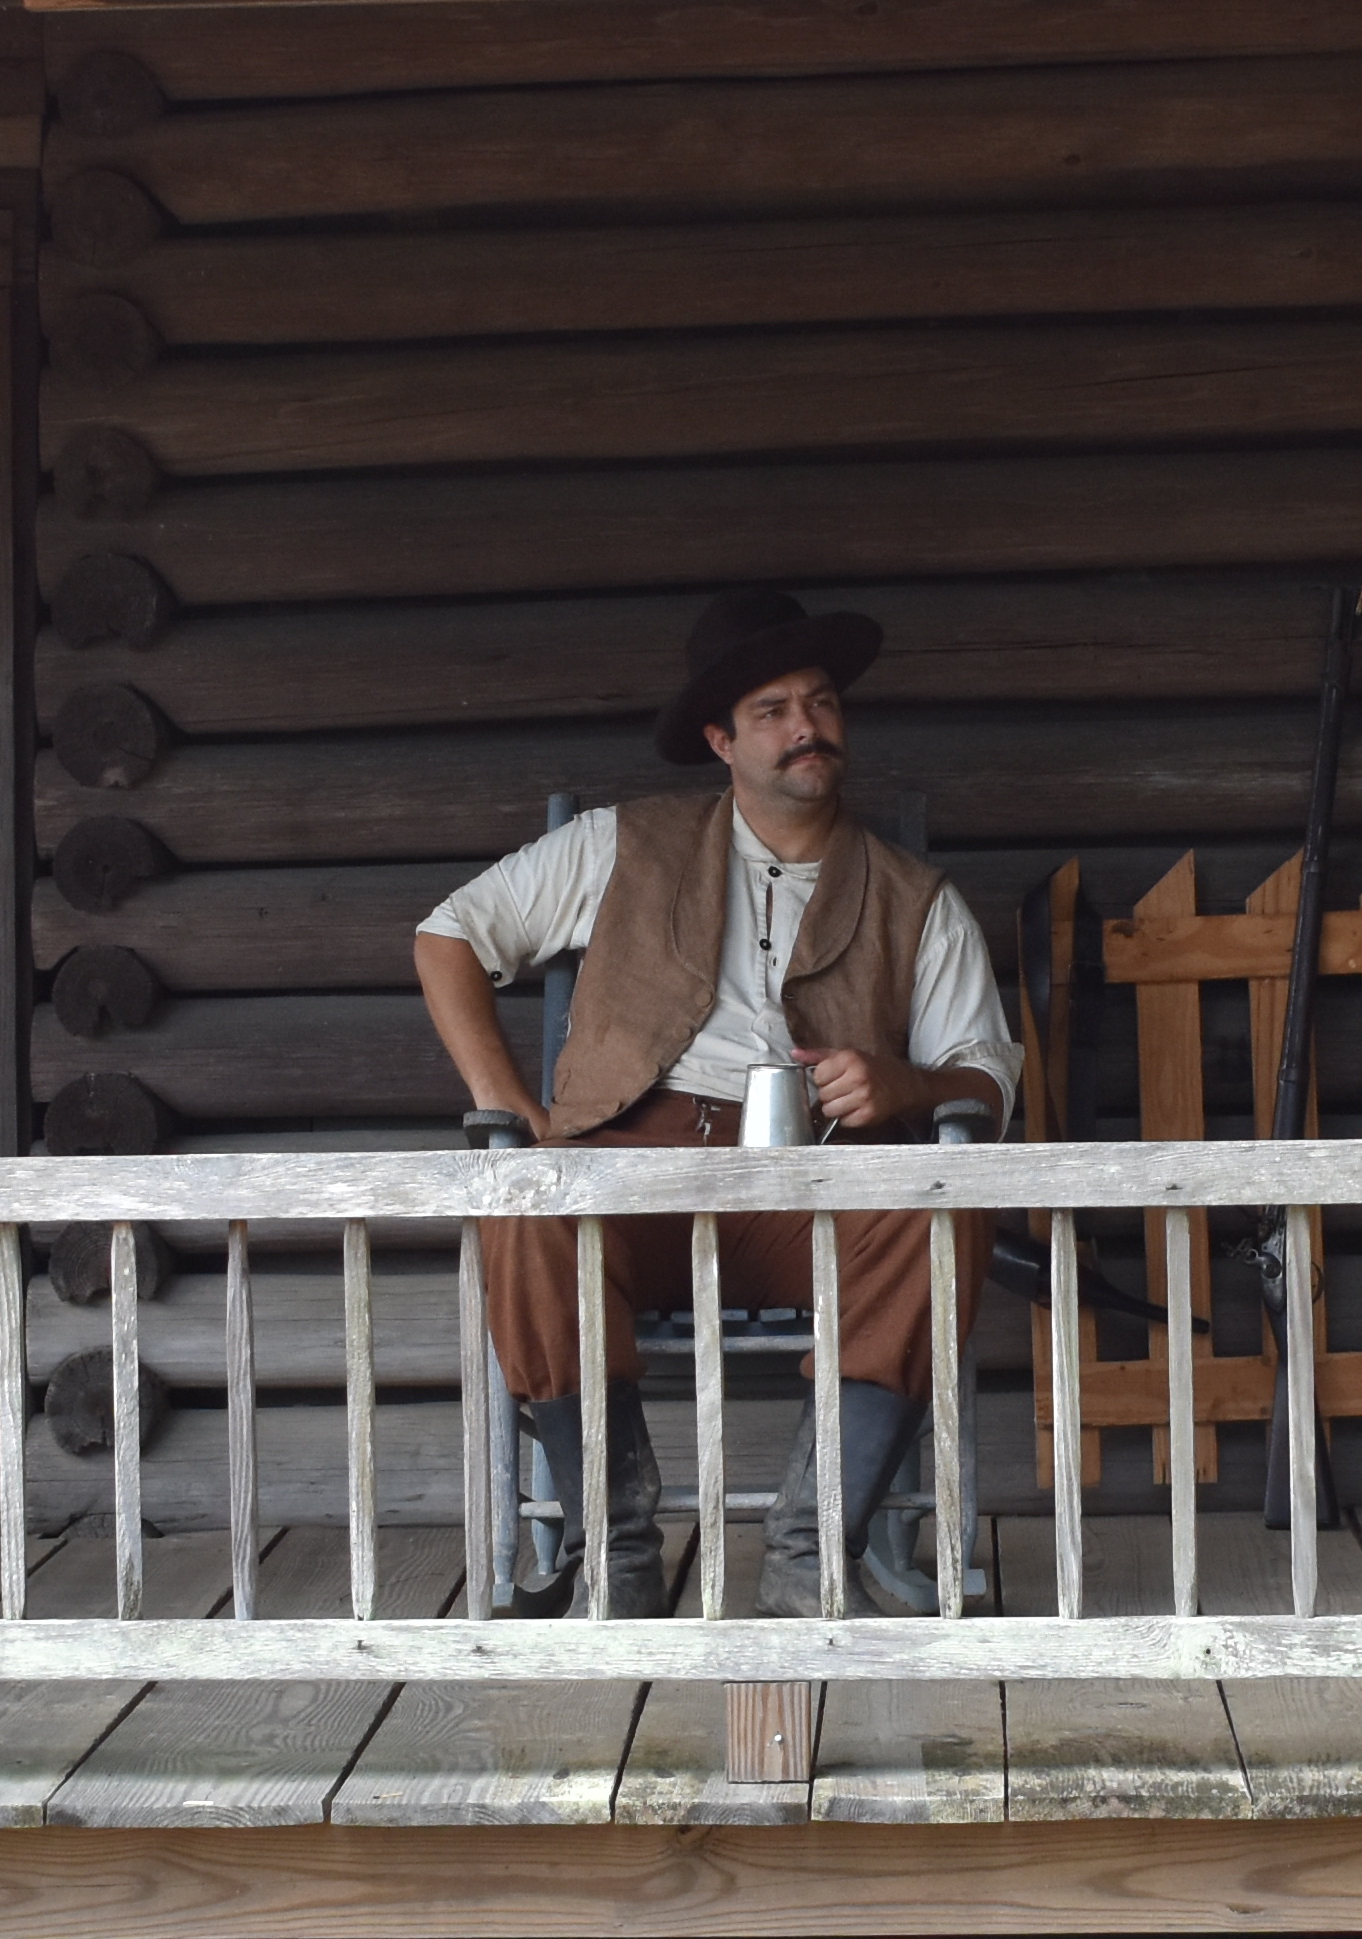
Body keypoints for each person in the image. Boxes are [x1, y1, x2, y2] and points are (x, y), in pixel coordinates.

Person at [411, 590, 1023, 1616]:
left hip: (813, 1183)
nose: (805, 727)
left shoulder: (916, 896)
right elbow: (448, 935)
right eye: (773, 710)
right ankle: (618, 1552)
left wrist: (905, 1082)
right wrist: (510, 1104)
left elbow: (987, 1078)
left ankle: (808, 1555)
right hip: (630, 1169)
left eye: (821, 702)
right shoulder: (621, 845)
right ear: (720, 739)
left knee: (942, 1212)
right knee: (521, 1201)